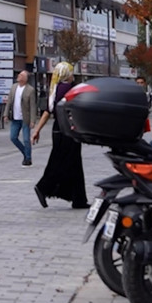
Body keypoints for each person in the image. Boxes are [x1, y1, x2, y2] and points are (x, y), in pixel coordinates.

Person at [30, 62, 89, 209]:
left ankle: (78, 199)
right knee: (63, 162)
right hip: (69, 130)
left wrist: (37, 130)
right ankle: (43, 187)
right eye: (70, 72)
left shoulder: (54, 89)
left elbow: (47, 112)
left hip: (58, 129)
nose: (72, 75)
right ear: (66, 74)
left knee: (71, 163)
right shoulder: (69, 89)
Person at [3, 70, 37, 166]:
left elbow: (32, 106)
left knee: (26, 139)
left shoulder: (30, 90)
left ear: (25, 79)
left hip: (25, 118)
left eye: (21, 75)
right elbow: (9, 101)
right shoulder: (14, 87)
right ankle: (25, 153)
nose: (19, 76)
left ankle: (28, 159)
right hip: (15, 117)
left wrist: (32, 120)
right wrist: (5, 114)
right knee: (13, 137)